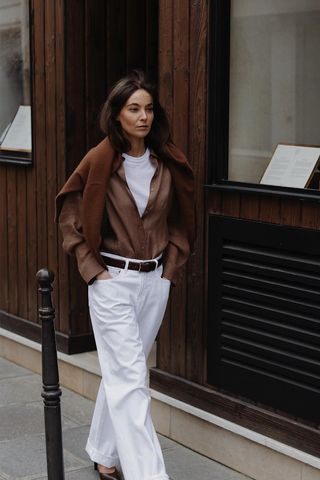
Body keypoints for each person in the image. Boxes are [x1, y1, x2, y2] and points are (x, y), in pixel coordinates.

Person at [55, 70, 195, 480]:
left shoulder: (165, 161)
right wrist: (94, 272)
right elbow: (69, 213)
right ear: (116, 114)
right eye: (133, 108)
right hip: (112, 281)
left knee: (123, 372)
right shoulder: (100, 160)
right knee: (132, 377)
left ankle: (103, 452)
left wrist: (169, 270)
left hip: (154, 282)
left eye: (149, 108)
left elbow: (180, 220)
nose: (143, 116)